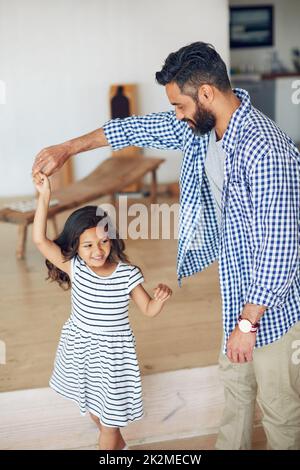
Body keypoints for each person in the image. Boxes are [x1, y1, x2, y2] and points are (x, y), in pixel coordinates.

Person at [32, 42, 300, 450]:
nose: (175, 115)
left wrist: (247, 323)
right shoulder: (204, 127)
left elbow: (282, 250)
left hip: (271, 310)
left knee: (280, 409)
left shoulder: (266, 151)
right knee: (237, 390)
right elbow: (132, 128)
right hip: (238, 296)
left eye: (178, 105)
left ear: (205, 94)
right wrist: (67, 149)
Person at [32, 171, 172, 450]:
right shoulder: (76, 268)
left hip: (112, 357)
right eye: (88, 245)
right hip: (81, 351)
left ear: (113, 239)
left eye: (103, 241)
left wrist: (160, 299)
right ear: (75, 247)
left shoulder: (127, 274)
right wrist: (44, 196)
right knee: (96, 412)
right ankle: (118, 447)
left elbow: (147, 309)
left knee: (109, 421)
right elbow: (39, 240)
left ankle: (112, 446)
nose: (98, 250)